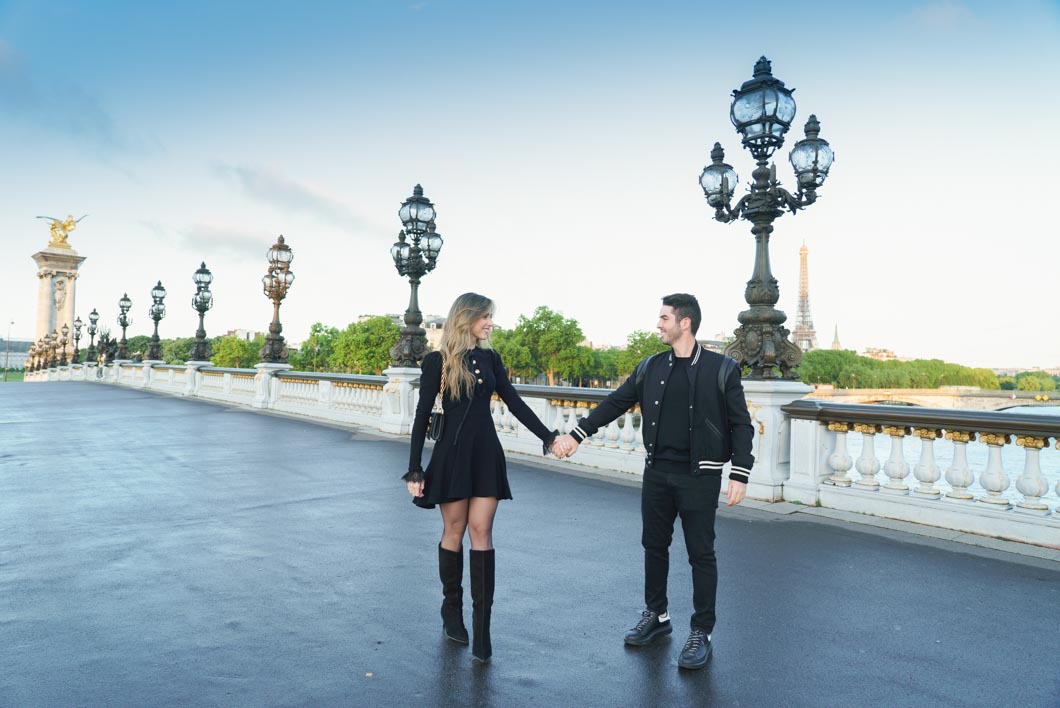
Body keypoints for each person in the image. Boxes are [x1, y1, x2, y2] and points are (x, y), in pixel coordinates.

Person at [553, 293, 754, 670]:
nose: (658, 324)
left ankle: (702, 631)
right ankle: (657, 617)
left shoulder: (721, 368)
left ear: (685, 323)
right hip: (657, 471)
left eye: (664, 318)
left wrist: (740, 472)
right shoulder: (651, 366)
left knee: (701, 553)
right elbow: (616, 402)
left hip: (701, 474)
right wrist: (576, 434)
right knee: (654, 546)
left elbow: (741, 423)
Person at [404, 292, 563, 664]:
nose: (490, 323)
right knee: (454, 532)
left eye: (491, 317)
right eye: (486, 317)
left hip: (486, 456)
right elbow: (421, 415)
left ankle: (483, 628)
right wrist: (415, 468)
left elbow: (515, 401)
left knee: (482, 532)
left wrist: (548, 436)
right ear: (467, 318)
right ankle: (452, 610)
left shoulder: (492, 359)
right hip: (452, 458)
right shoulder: (437, 362)